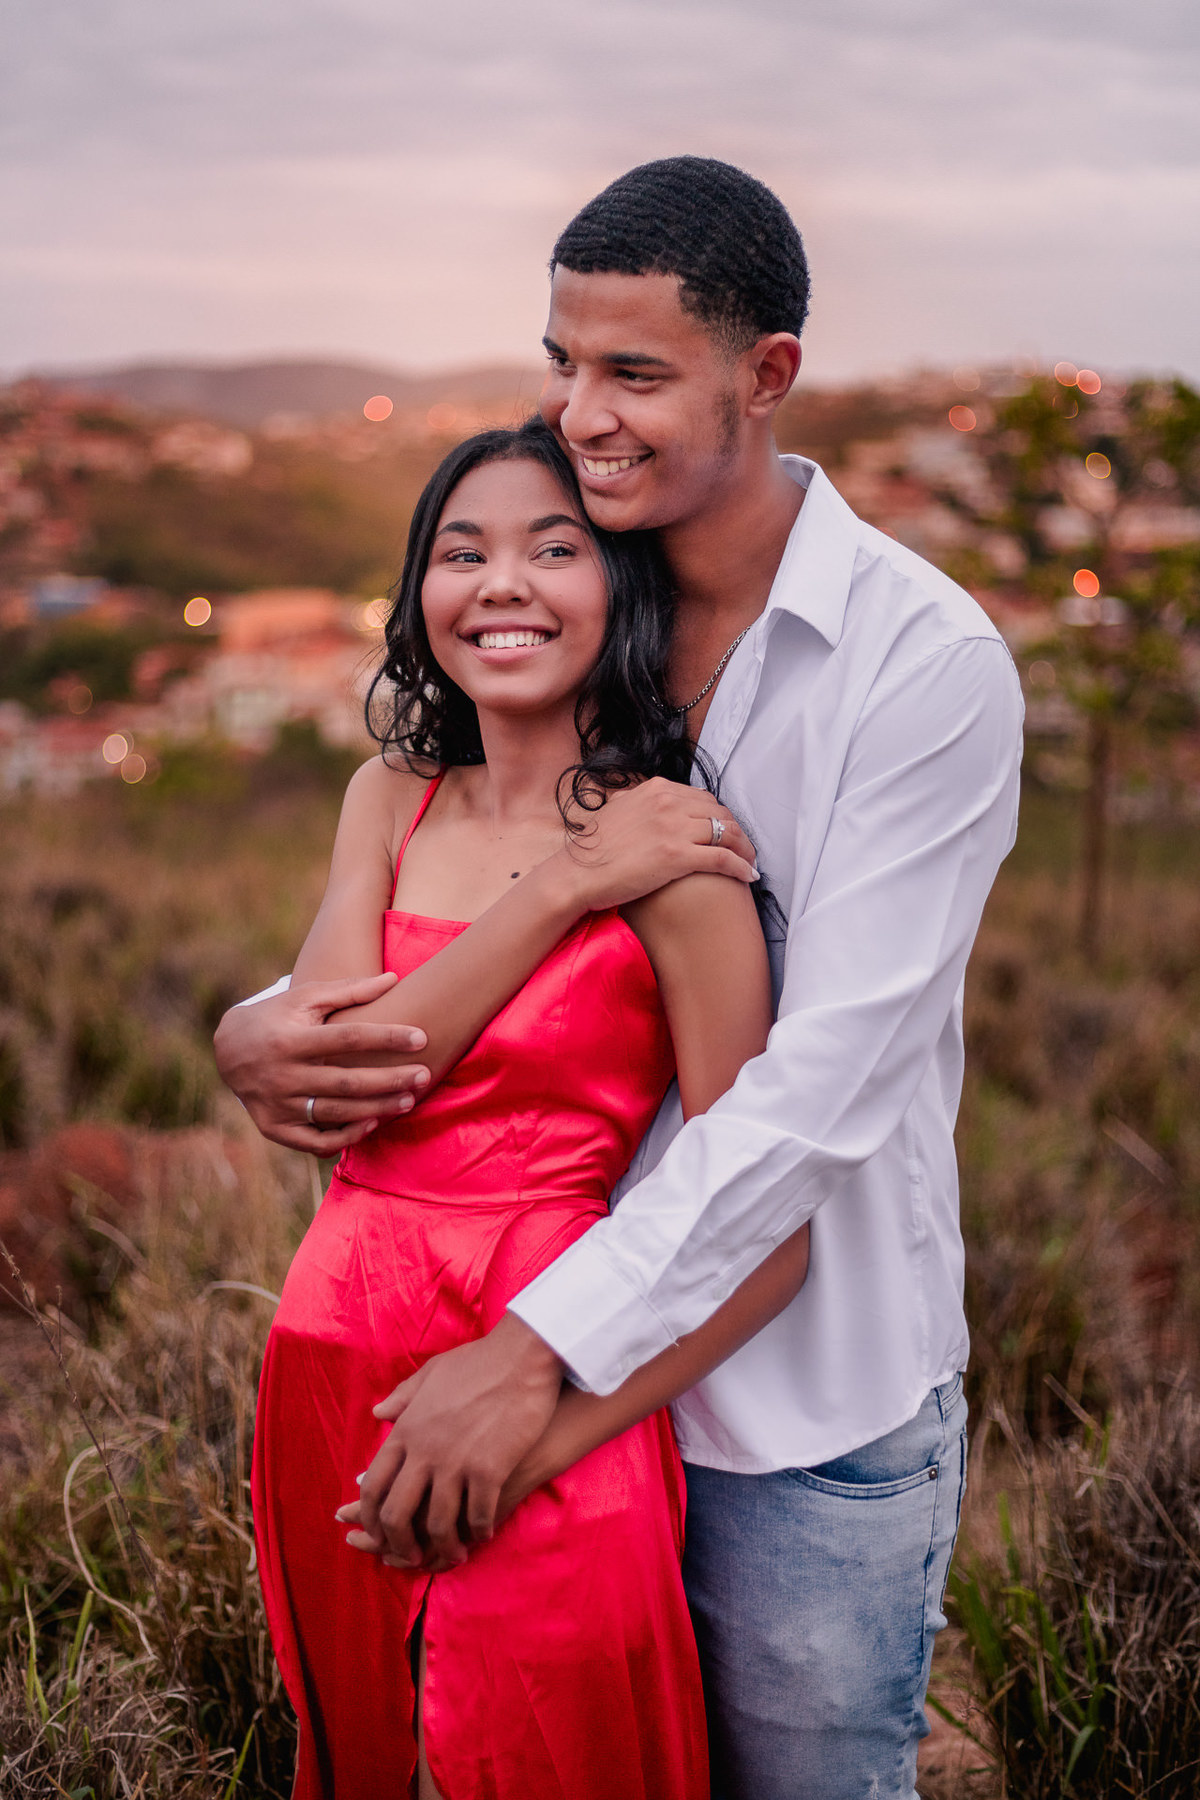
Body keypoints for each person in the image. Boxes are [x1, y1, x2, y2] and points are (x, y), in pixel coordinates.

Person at [217, 157, 1024, 1798]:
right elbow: (456, 869)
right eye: (564, 364)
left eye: (635, 374)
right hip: (485, 1374)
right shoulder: (596, 582)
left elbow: (817, 1099)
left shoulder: (920, 669)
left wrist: (539, 1367)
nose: (584, 413)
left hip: (792, 1403)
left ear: (768, 373)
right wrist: (255, 1030)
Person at [249, 414, 811, 1800]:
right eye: (463, 551)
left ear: (620, 587)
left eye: (553, 548)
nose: (501, 582)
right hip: (327, 1370)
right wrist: (562, 885)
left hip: (543, 1379)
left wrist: (541, 1435)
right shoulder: (388, 799)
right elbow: (352, 1077)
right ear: (418, 594)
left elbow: (766, 1236)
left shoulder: (680, 862)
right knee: (364, 1749)